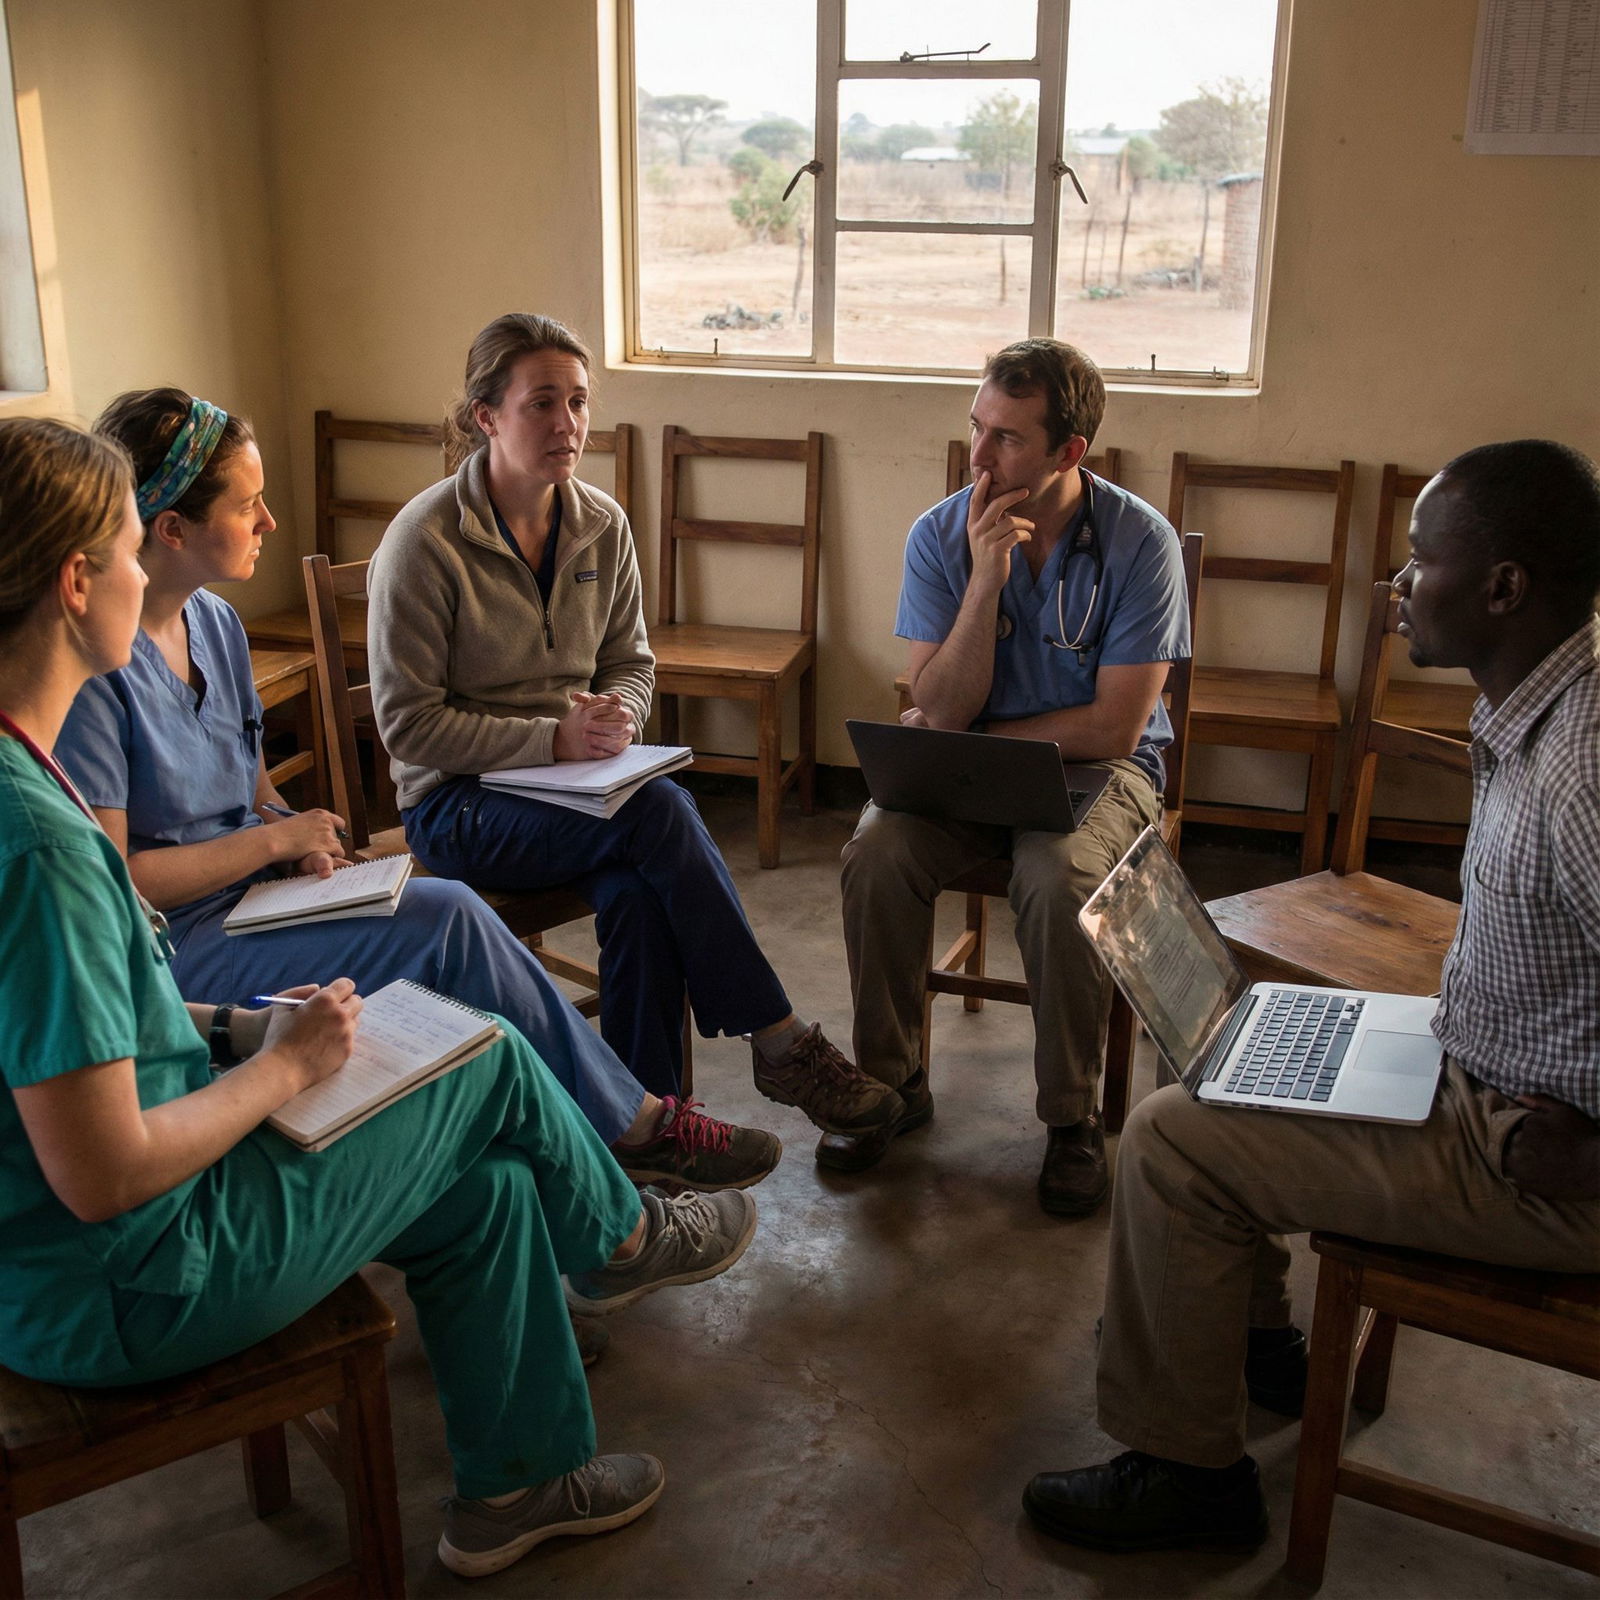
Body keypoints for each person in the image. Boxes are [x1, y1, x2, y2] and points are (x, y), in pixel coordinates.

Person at [0, 415, 761, 1579]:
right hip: (129, 1281)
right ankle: (619, 1230)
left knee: (492, 1177)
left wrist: (234, 1025)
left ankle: (516, 1486)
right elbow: (100, 1172)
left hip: (87, 1252)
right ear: (75, 579)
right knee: (486, 1056)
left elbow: (86, 1030)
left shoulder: (23, 773)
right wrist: (280, 1069)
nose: (142, 571)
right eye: (123, 543)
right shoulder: (44, 848)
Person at [1023, 439, 1600, 1553]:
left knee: (1167, 1143)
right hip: (1470, 1061)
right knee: (1213, 1040)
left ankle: (1189, 1480)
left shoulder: (1584, 766)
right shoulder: (1546, 694)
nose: (1394, 590)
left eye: (1418, 560)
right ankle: (1245, 1342)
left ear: (1502, 586)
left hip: (1532, 1154)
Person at [56, 387, 775, 1200]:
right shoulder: (93, 676)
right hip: (180, 942)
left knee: (632, 882)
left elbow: (252, 791)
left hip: (263, 900)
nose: (270, 523)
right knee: (455, 920)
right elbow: (116, 887)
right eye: (250, 504)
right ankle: (639, 1129)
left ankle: (615, 1152)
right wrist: (271, 844)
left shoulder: (216, 623)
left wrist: (300, 839)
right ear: (173, 528)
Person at [367, 312, 899, 1141]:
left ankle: (646, 1125)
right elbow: (409, 727)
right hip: (457, 805)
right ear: (486, 416)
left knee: (636, 892)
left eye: (578, 402)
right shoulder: (425, 541)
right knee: (658, 814)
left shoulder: (600, 524)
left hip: (575, 790)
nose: (568, 424)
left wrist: (616, 716)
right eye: (542, 402)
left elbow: (632, 661)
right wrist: (550, 739)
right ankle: (777, 1039)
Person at [839, 339, 1189, 1209]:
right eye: (975, 429)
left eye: (1007, 440)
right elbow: (942, 707)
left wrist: (984, 733)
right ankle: (890, 1084)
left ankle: (1070, 1119)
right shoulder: (941, 534)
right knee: (876, 850)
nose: (979, 458)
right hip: (971, 765)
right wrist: (983, 582)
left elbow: (1116, 722)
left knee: (1059, 871)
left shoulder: (1140, 544)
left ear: (1071, 452)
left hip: (1101, 772)